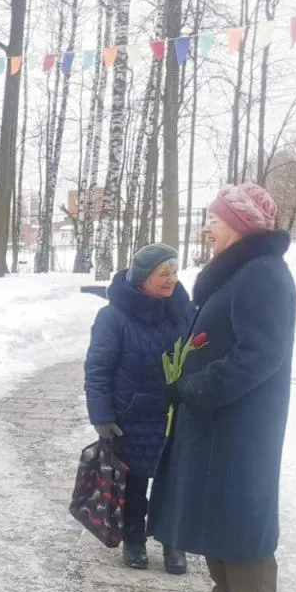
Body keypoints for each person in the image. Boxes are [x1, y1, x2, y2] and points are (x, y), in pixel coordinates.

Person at [149, 184, 296, 592]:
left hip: (244, 420)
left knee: (241, 504)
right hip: (218, 415)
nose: (207, 228)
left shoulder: (263, 274)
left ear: (240, 224)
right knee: (215, 500)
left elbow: (261, 353)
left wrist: (200, 386)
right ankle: (228, 590)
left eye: (214, 219)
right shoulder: (239, 271)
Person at [83, 244, 195, 574]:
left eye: (174, 273)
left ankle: (174, 541)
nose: (171, 280)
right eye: (163, 274)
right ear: (143, 277)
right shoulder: (113, 316)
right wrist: (102, 415)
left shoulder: (186, 311)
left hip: (176, 413)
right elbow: (98, 368)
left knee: (174, 480)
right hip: (132, 415)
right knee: (134, 482)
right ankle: (134, 539)